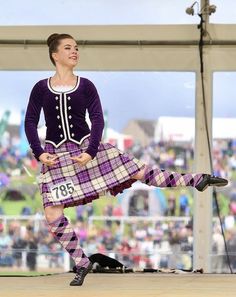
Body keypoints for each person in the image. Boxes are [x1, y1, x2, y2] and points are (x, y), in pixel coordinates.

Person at [24, 33, 228, 286]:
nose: (74, 52)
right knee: (52, 213)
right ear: (55, 55)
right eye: (68, 48)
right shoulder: (40, 88)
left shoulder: (86, 85)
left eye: (76, 48)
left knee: (141, 172)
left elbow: (97, 119)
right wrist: (38, 151)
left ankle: (198, 179)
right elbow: (31, 121)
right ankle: (82, 262)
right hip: (55, 158)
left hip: (89, 152)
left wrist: (91, 152)